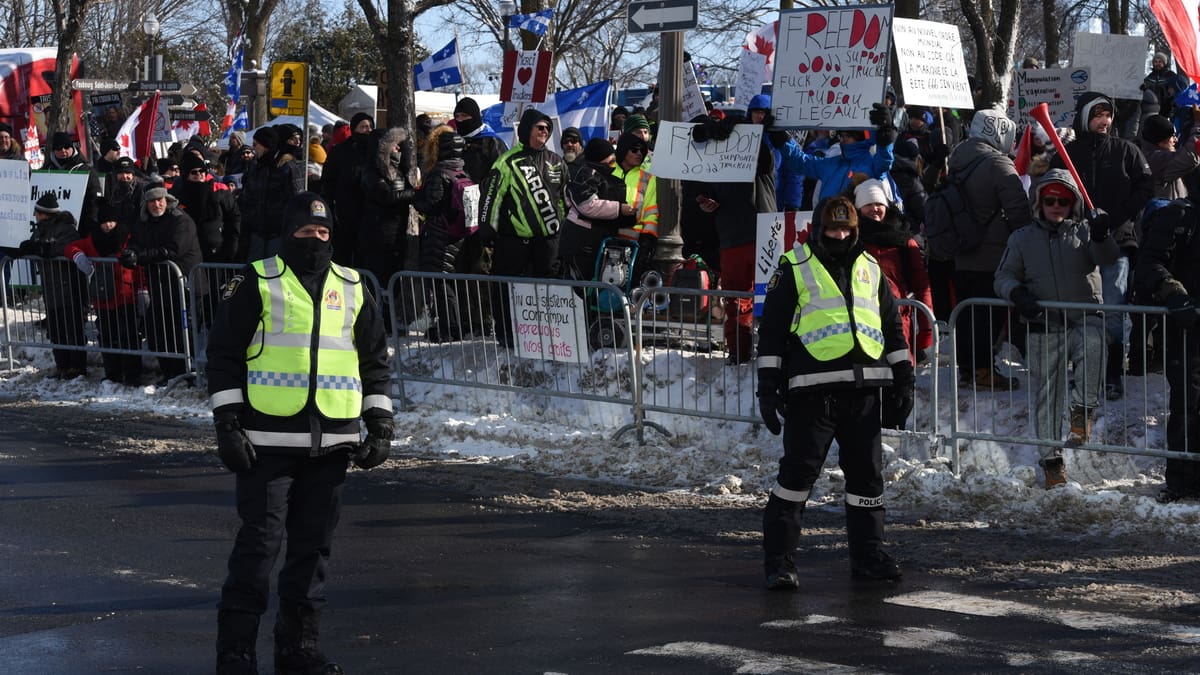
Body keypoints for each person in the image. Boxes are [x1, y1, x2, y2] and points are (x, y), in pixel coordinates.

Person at [206, 192, 393, 674]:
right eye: (306, 232)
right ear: (288, 232)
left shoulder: (352, 286)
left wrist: (380, 423)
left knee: (312, 555)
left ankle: (298, 650)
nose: (315, 240)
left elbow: (374, 361)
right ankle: (236, 653)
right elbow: (224, 354)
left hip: (331, 446)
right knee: (257, 551)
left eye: (324, 232)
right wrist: (227, 424)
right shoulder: (258, 281)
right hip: (264, 445)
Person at [756, 196, 911, 589]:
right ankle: (780, 562)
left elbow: (891, 327)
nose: (839, 235)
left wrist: (904, 379)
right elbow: (771, 333)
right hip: (813, 393)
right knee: (796, 479)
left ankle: (868, 555)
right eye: (832, 229)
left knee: (867, 481)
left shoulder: (870, 267)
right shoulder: (795, 267)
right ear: (818, 229)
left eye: (846, 230)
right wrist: (767, 389)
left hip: (863, 392)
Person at [994, 169, 1119, 488]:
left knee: (1093, 346)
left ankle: (1083, 411)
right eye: (1050, 199)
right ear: (1039, 201)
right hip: (1044, 324)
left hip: (1083, 318)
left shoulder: (1086, 232)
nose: (1056, 205)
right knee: (1046, 398)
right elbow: (1003, 276)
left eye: (1063, 200)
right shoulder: (1022, 238)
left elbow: (1107, 257)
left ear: (1073, 203)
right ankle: (1051, 463)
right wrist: (1017, 294)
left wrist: (1104, 234)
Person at [1052, 92, 1153, 400]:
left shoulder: (1127, 151)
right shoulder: (1066, 153)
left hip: (1118, 242)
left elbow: (1145, 186)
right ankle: (1083, 368)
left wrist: (1117, 217)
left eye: (1108, 115)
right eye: (1097, 115)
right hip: (1078, 242)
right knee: (1082, 309)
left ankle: (1111, 372)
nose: (1104, 121)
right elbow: (1054, 188)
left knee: (1112, 309)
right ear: (1084, 117)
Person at [948, 108, 1034, 390]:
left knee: (967, 312)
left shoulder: (957, 159)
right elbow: (1019, 212)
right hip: (993, 254)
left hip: (961, 250)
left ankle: (967, 369)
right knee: (989, 314)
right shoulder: (999, 165)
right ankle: (984, 371)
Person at [695, 99, 782, 364]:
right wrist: (705, 202)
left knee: (773, 298)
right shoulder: (718, 165)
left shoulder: (761, 158)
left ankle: (772, 355)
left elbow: (767, 157)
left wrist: (751, 130)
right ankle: (739, 353)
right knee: (736, 300)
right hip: (732, 239)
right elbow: (706, 193)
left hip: (764, 236)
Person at [478, 108, 567, 347]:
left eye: (547, 129)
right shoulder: (507, 161)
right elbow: (491, 197)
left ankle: (549, 339)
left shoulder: (556, 162)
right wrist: (487, 231)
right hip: (513, 241)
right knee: (506, 290)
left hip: (547, 242)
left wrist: (563, 232)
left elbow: (563, 200)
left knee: (549, 291)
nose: (544, 132)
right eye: (540, 127)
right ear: (527, 129)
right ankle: (507, 337)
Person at [1135, 185, 1200, 502]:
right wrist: (1174, 293)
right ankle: (1182, 480)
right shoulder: (1179, 214)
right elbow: (1148, 263)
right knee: (1187, 404)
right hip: (1187, 327)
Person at [852, 176, 932, 428]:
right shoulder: (851, 239)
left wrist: (926, 327)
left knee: (899, 386)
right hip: (861, 324)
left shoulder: (903, 238)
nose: (874, 209)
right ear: (857, 208)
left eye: (878, 204)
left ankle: (894, 431)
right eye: (868, 204)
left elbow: (921, 284)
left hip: (898, 324)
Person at [118, 183, 204, 384]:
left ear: (167, 200)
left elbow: (174, 250)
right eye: (152, 201)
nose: (157, 204)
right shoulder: (144, 222)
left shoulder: (180, 220)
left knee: (182, 332)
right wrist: (130, 253)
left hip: (185, 284)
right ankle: (170, 374)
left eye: (160, 200)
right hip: (159, 285)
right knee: (157, 330)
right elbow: (135, 241)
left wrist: (140, 256)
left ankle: (188, 374)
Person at [64, 202, 143, 385]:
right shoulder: (92, 240)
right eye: (104, 222)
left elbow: (139, 266)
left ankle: (132, 374)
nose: (108, 225)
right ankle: (112, 373)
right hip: (103, 297)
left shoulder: (128, 237)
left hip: (125, 295)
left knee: (128, 335)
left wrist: (142, 289)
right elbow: (70, 247)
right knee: (107, 336)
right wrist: (78, 257)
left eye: (111, 222)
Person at [19, 193, 89, 379]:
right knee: (56, 328)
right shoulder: (40, 230)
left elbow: (66, 248)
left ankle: (77, 366)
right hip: (51, 285)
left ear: (44, 213)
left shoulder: (66, 228)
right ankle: (62, 365)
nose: (35, 215)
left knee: (72, 327)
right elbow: (36, 246)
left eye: (37, 212)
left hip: (68, 285)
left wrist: (43, 249)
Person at [560, 136, 637, 282]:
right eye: (610, 159)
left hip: (595, 242)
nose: (613, 163)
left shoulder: (601, 175)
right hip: (580, 242)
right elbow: (587, 205)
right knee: (579, 286)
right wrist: (619, 208)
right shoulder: (586, 174)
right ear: (601, 157)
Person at [240, 126, 306, 261]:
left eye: (255, 145)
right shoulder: (256, 166)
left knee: (275, 273)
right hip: (257, 231)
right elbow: (248, 196)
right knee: (255, 273)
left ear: (265, 146)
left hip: (279, 233)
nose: (253, 148)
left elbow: (297, 200)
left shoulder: (286, 167)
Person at [321, 112, 376, 266]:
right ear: (354, 128)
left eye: (370, 126)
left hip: (370, 212)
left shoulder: (376, 150)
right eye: (364, 127)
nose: (368, 130)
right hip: (345, 213)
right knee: (343, 254)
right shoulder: (340, 151)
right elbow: (328, 181)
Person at [43, 132, 103, 238]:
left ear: (72, 147)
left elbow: (95, 199)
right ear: (53, 151)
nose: (63, 151)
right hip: (52, 228)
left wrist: (92, 223)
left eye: (67, 147)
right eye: (59, 148)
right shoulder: (46, 170)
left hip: (81, 226)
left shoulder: (85, 169)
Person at [1142, 53, 1187, 122]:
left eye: (1160, 62)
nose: (1157, 64)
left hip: (1166, 111)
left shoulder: (1171, 76)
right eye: (1155, 62)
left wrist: (1173, 91)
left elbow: (1182, 86)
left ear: (1164, 63)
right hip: (1151, 112)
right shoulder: (1149, 78)